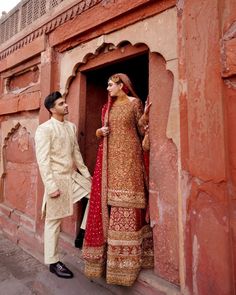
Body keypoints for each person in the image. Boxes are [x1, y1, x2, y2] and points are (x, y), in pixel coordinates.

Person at [83, 73, 153, 286]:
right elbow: (100, 131)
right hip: (111, 162)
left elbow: (141, 130)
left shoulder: (134, 103)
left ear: (122, 85)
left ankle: (130, 263)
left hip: (130, 160)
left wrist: (147, 118)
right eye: (107, 84)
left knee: (129, 204)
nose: (108, 88)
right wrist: (98, 132)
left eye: (111, 84)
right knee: (111, 204)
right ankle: (110, 263)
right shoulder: (107, 107)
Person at [35, 91, 91, 279]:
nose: (66, 105)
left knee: (96, 194)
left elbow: (76, 153)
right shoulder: (45, 129)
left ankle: (83, 232)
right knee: (53, 222)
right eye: (61, 104)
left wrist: (87, 176)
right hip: (56, 180)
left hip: (72, 177)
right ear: (52, 109)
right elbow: (43, 161)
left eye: (65, 102)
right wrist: (50, 187)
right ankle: (53, 262)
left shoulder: (70, 127)